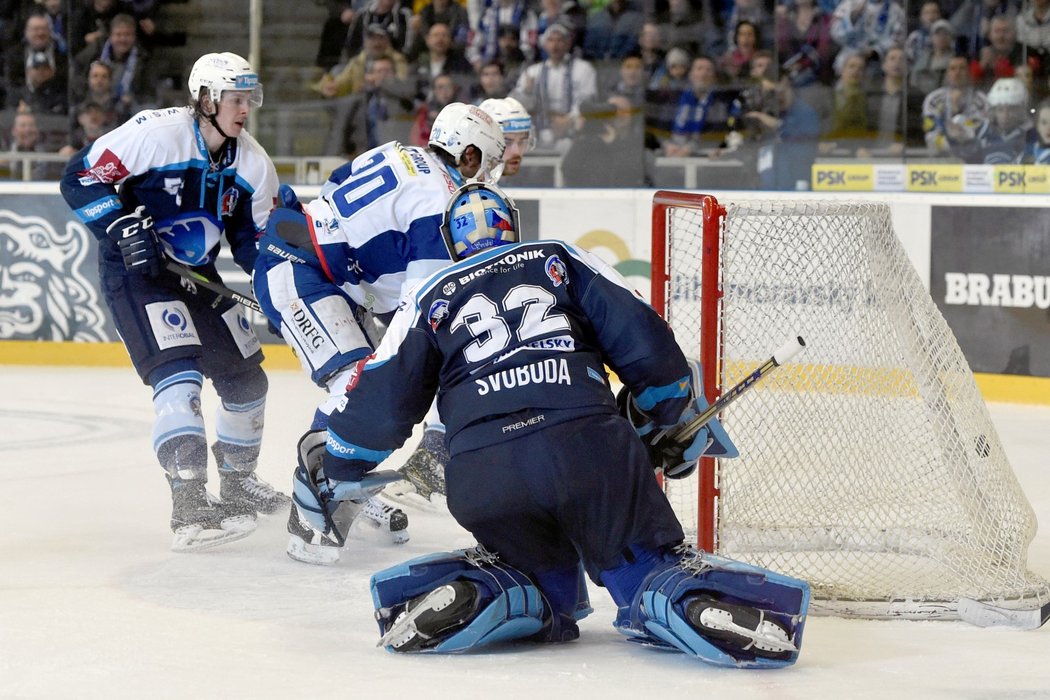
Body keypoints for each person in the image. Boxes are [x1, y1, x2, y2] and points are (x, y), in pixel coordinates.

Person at [295, 182, 810, 665]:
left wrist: (340, 460)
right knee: (647, 565)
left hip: (484, 473)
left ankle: (494, 593)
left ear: (453, 245)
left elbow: (380, 406)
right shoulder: (555, 256)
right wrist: (673, 415)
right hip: (587, 448)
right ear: (511, 226)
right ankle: (677, 596)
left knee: (533, 579)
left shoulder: (429, 295)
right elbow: (643, 340)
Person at [252, 102, 506, 564]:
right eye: (486, 161)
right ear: (468, 155)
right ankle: (313, 507)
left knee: (364, 389)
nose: (487, 176)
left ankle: (340, 480)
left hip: (313, 266)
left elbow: (334, 187)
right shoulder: (442, 202)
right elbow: (418, 309)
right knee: (361, 388)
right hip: (301, 272)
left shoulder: (400, 152)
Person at [58, 52, 287, 553]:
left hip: (197, 277)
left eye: (249, 99)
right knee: (178, 378)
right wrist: (118, 226)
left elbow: (253, 241)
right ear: (205, 99)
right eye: (235, 99)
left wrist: (280, 288)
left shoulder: (253, 162)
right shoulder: (154, 133)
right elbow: (79, 178)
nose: (245, 109)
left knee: (248, 380)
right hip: (137, 274)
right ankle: (188, 503)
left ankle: (237, 487)